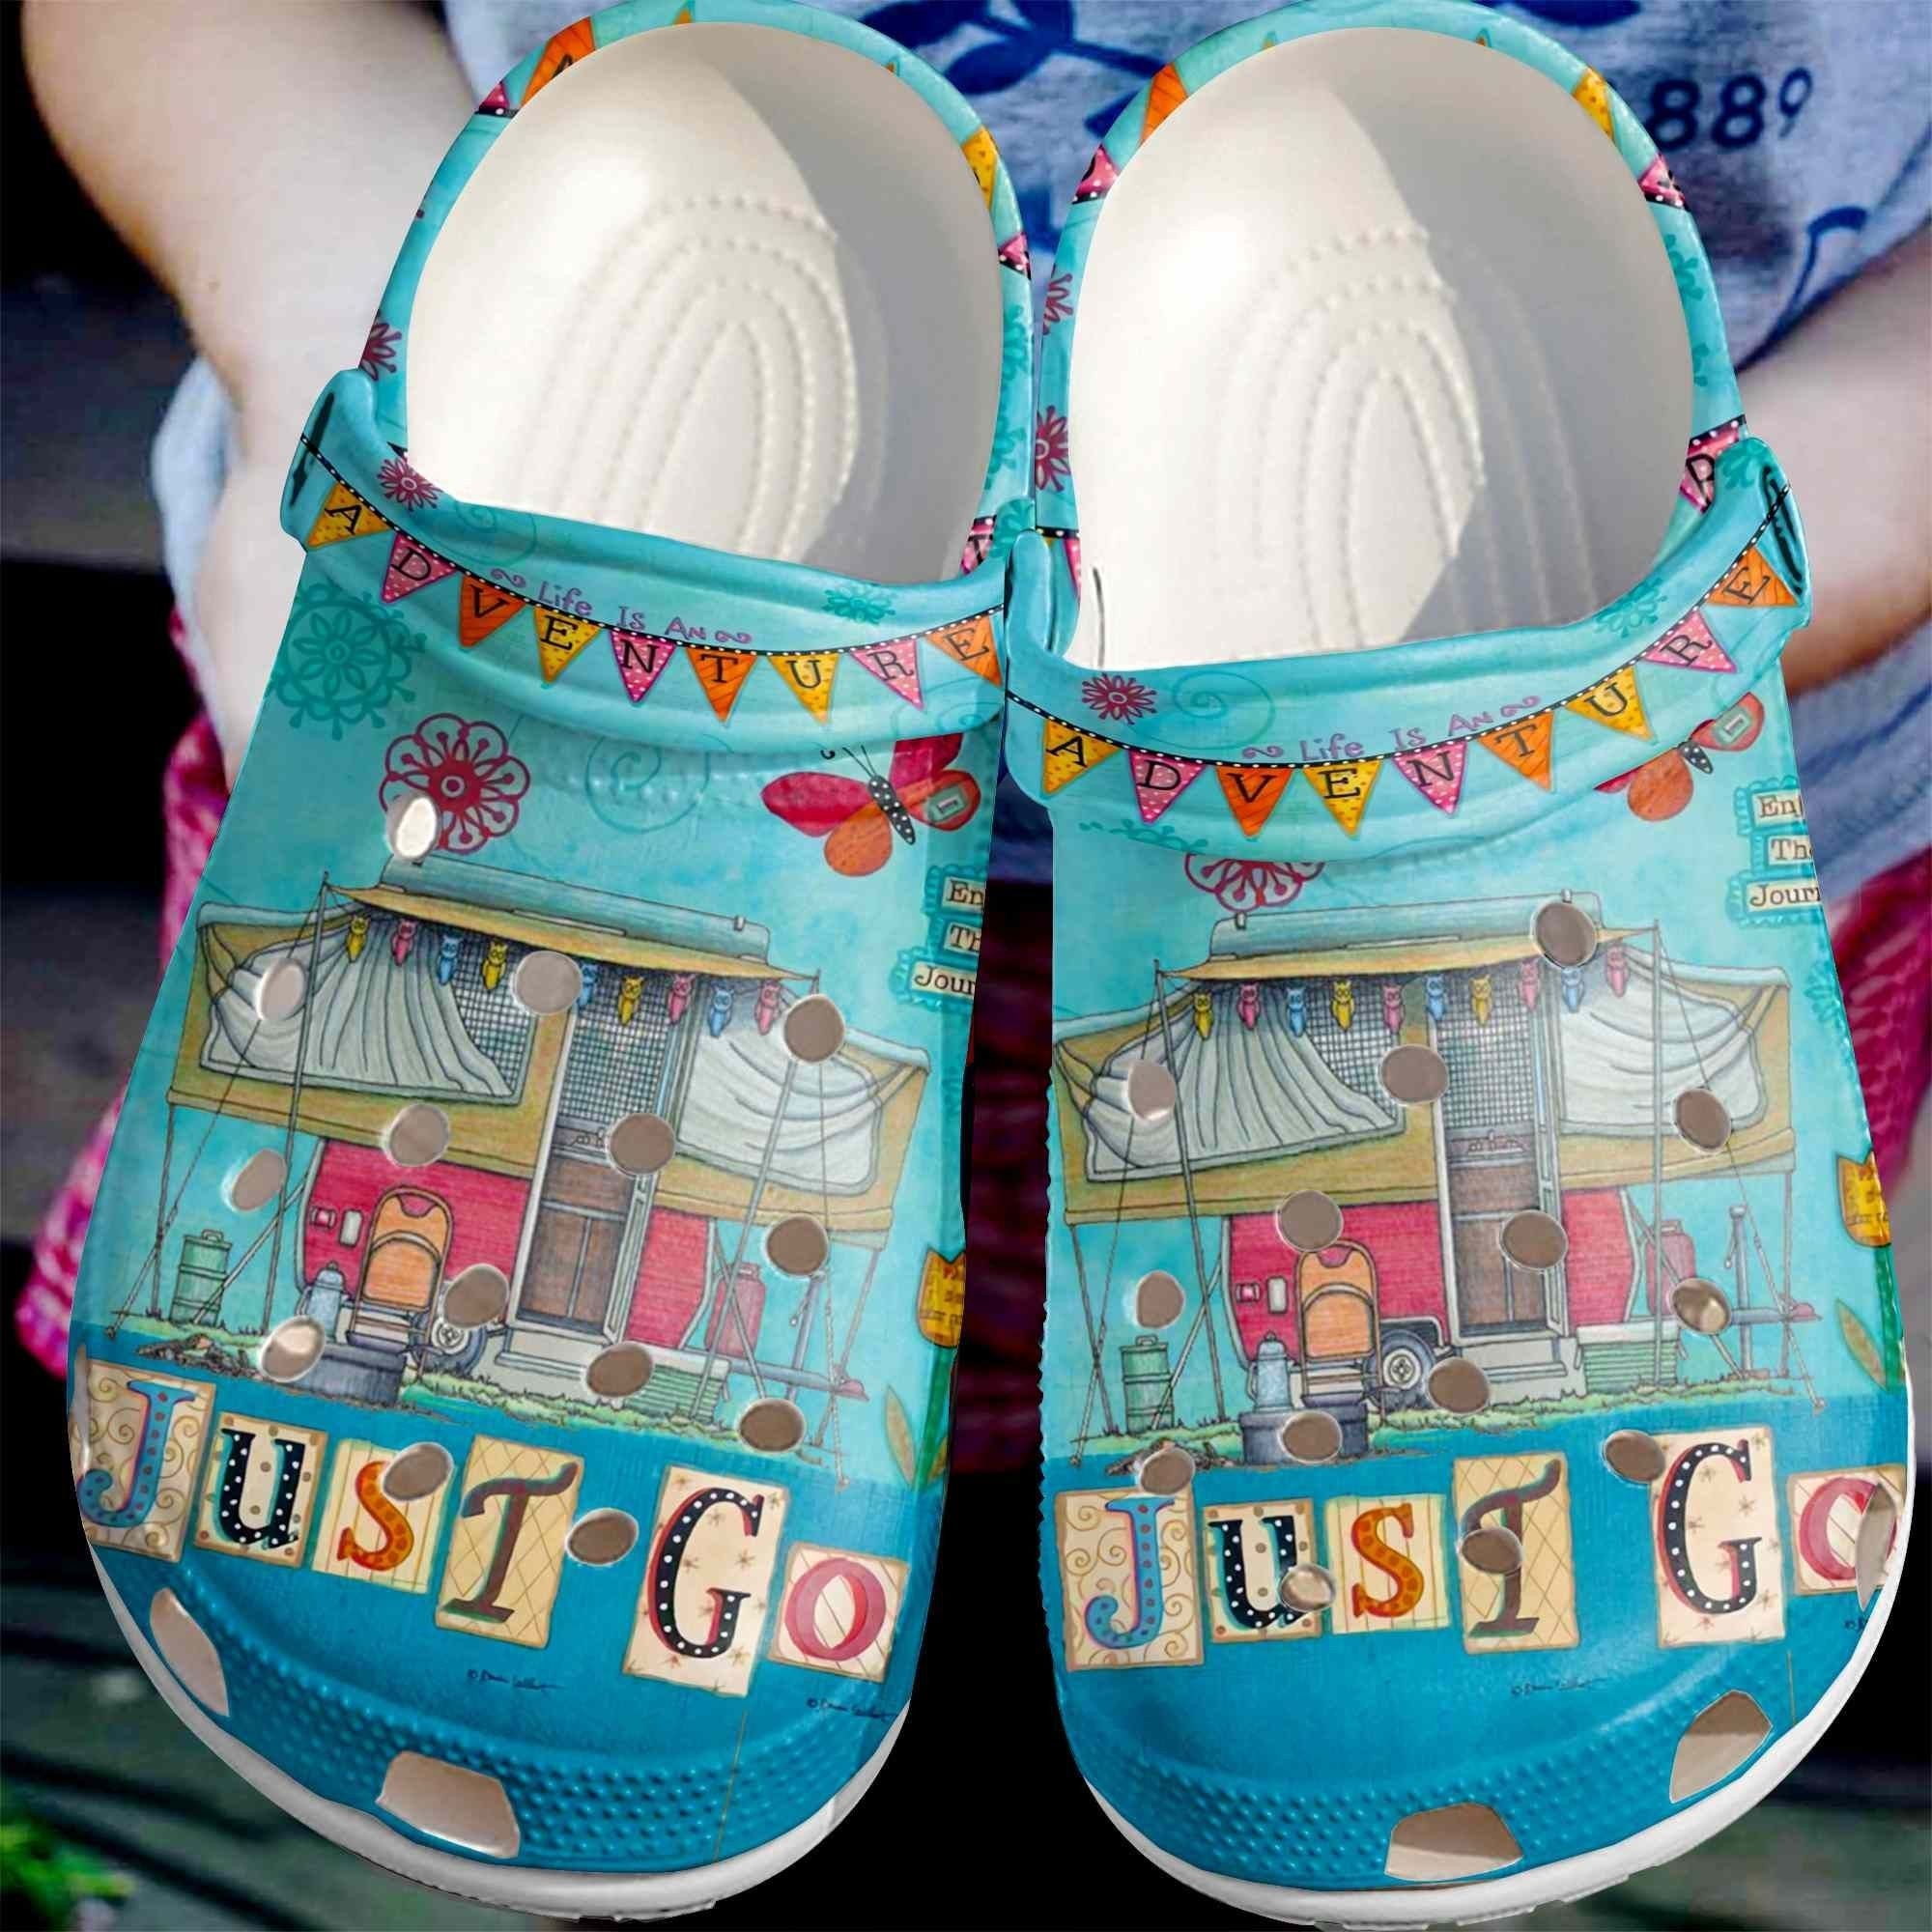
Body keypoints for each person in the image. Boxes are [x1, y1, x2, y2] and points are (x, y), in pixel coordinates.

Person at [19, 2, 1930, 1417]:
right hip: (516, 738)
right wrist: (343, 352)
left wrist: (1730, 595)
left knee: (1306, 1505)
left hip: (1645, 807)